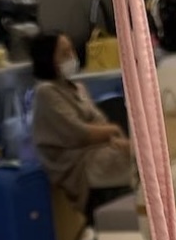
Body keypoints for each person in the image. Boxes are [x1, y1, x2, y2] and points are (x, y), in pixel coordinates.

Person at [30, 32, 134, 211]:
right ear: (48, 59)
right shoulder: (46, 92)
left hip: (98, 149)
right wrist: (113, 131)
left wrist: (113, 135)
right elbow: (78, 132)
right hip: (75, 163)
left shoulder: (78, 88)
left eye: (72, 51)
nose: (72, 57)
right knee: (132, 161)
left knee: (139, 154)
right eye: (64, 53)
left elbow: (100, 122)